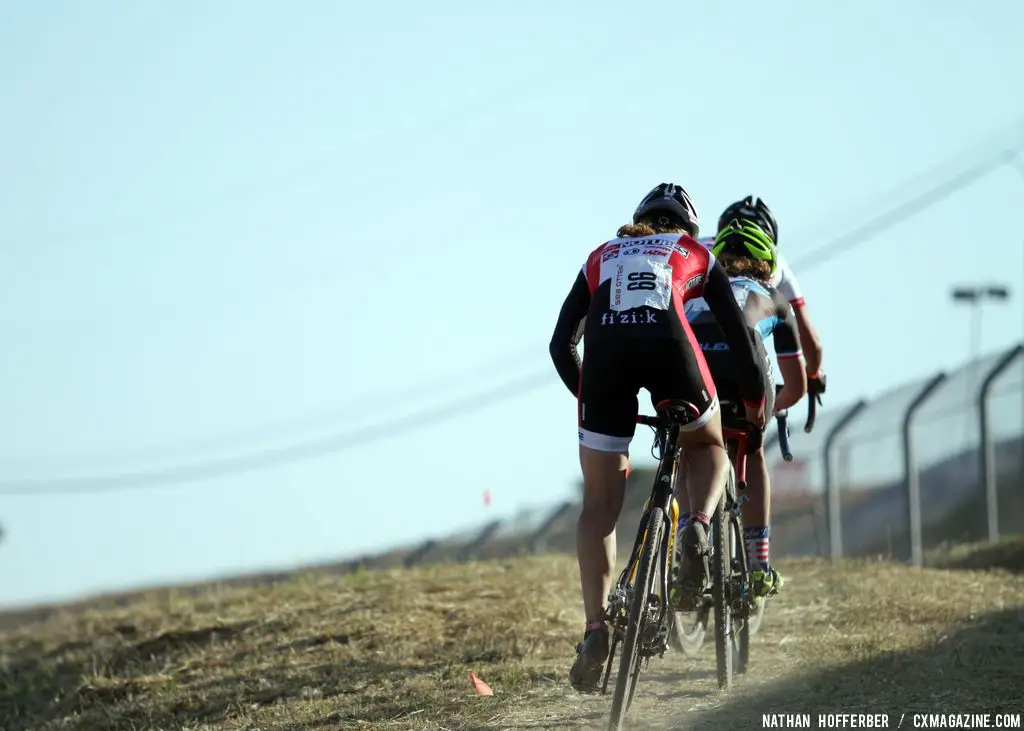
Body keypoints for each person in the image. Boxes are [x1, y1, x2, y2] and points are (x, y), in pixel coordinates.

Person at [548, 183, 769, 693]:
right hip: (673, 350)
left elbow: (561, 344)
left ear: (637, 221)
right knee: (708, 446)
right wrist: (754, 406)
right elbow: (740, 338)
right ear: (687, 230)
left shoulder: (601, 255)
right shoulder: (694, 253)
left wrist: (594, 402)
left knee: (599, 508)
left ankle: (596, 629)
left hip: (605, 367)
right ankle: (696, 521)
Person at [683, 217, 808, 598]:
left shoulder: (699, 293)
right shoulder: (774, 298)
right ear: (767, 265)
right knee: (751, 451)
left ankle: (684, 541)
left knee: (690, 451)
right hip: (742, 376)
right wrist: (763, 415)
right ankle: (758, 564)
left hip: (694, 375)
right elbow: (797, 385)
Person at [702, 196, 827, 401]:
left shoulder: (698, 247)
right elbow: (811, 342)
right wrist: (813, 374)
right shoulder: (777, 262)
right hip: (745, 356)